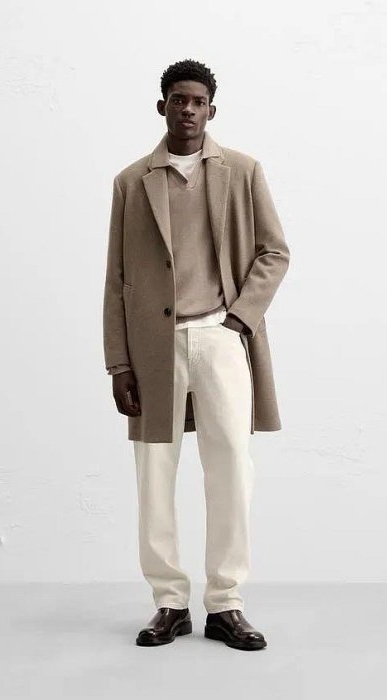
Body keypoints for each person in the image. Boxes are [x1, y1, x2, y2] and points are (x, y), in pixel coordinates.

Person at [103, 59, 290, 651]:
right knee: (154, 473)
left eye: (198, 101)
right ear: (162, 106)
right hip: (152, 348)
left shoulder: (242, 171)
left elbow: (275, 252)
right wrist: (119, 363)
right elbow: (116, 279)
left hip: (219, 336)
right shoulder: (132, 182)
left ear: (212, 110)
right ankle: (169, 603)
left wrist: (239, 319)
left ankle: (226, 604)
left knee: (231, 465)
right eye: (178, 99)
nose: (187, 109)